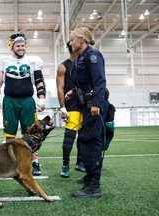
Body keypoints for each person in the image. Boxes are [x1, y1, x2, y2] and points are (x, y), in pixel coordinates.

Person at [0, 31, 46, 176]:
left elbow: (39, 80)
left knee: (32, 134)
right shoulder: (3, 60)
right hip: (9, 101)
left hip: (28, 101)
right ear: (11, 46)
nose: (21, 48)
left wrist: (41, 98)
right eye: (18, 46)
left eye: (23, 45)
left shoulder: (33, 61)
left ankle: (34, 162)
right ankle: (11, 162)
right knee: (9, 135)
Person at [66, 27, 109, 198]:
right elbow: (83, 83)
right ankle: (90, 176)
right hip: (86, 103)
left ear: (82, 39)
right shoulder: (81, 57)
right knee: (85, 139)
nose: (70, 43)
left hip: (94, 105)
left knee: (90, 140)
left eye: (72, 40)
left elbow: (99, 81)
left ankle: (94, 186)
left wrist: (97, 103)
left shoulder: (93, 55)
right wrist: (73, 91)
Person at [56, 41, 86, 178]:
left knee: (84, 136)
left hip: (86, 104)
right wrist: (63, 108)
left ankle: (80, 162)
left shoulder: (85, 64)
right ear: (73, 48)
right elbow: (60, 88)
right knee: (70, 137)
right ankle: (65, 165)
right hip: (72, 105)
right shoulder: (63, 67)